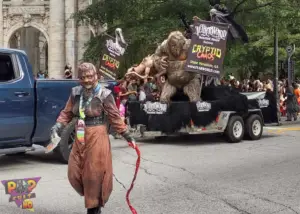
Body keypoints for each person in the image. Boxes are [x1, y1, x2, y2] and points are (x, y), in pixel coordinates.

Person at [50, 62, 136, 214]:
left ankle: (94, 206)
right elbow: (67, 112)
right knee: (74, 172)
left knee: (94, 174)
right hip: (80, 134)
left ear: (96, 76)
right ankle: (91, 197)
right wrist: (58, 125)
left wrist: (127, 135)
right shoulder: (76, 92)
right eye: (83, 77)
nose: (87, 80)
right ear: (79, 79)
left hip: (98, 134)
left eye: (90, 76)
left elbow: (115, 117)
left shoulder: (104, 94)